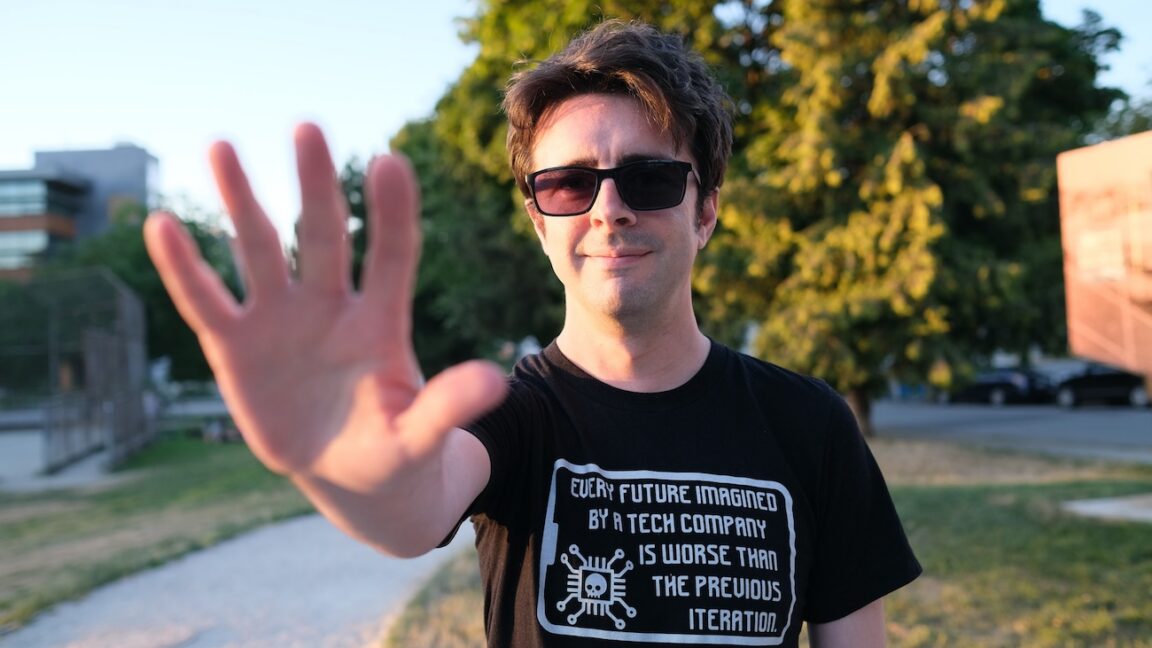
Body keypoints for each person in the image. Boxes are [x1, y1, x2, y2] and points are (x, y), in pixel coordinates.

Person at [144, 19, 920, 648]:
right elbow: (412, 511)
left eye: (649, 179)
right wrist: (343, 466)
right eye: (569, 184)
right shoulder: (511, 416)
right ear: (539, 222)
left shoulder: (811, 424)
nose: (609, 210)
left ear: (705, 209)